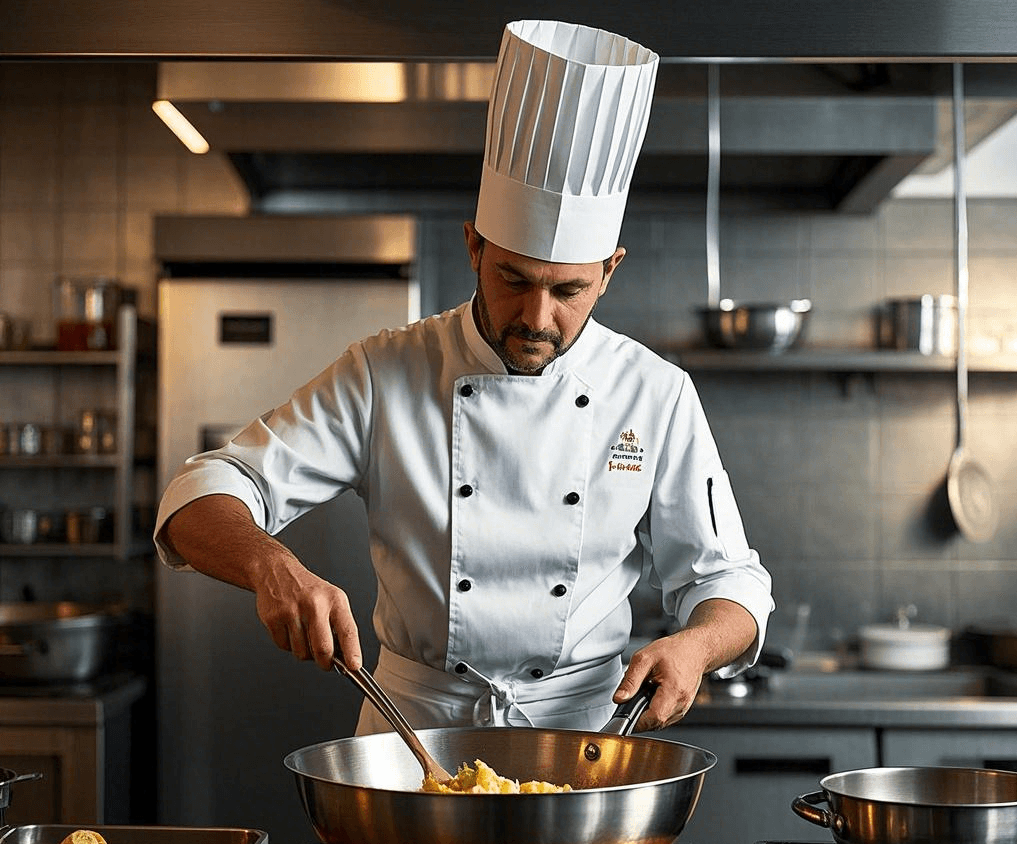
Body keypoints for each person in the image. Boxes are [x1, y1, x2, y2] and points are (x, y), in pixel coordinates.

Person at [155, 19, 773, 735]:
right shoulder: (385, 371)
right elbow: (198, 497)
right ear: (473, 246)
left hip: (581, 738)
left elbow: (729, 580)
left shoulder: (653, 392)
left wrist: (696, 645)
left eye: (568, 290)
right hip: (413, 736)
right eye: (513, 278)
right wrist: (271, 565)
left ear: (609, 271)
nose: (536, 317)